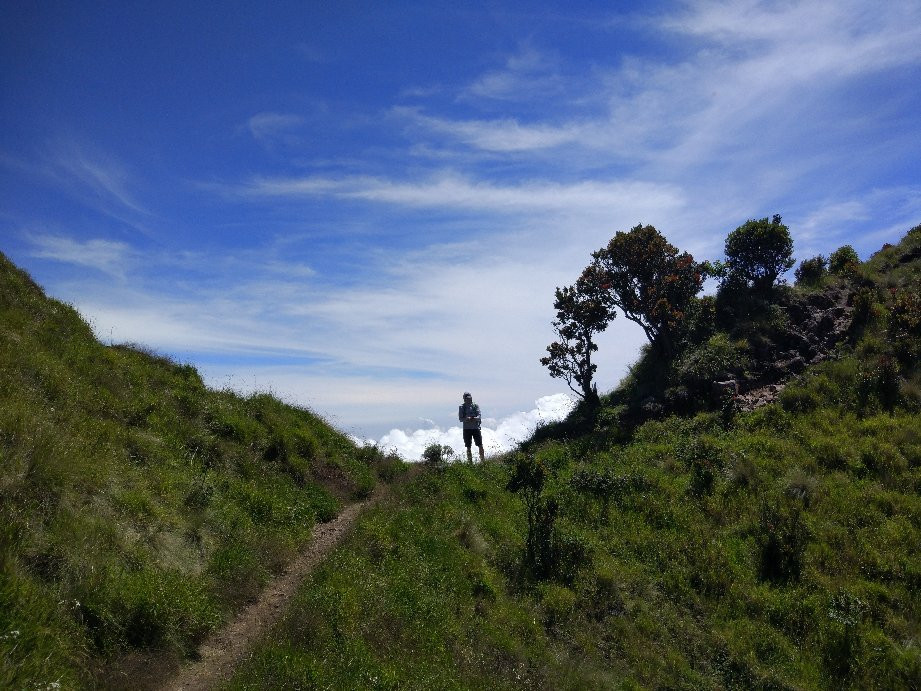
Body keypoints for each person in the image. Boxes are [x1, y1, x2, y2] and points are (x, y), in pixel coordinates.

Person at [458, 391, 484, 463]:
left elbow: (479, 416)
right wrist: (467, 419)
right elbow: (460, 419)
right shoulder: (462, 407)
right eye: (467, 398)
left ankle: (483, 461)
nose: (469, 399)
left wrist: (473, 418)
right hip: (467, 429)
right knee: (468, 447)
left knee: (480, 445)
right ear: (464, 399)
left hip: (475, 428)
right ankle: (470, 463)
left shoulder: (475, 406)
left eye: (469, 398)